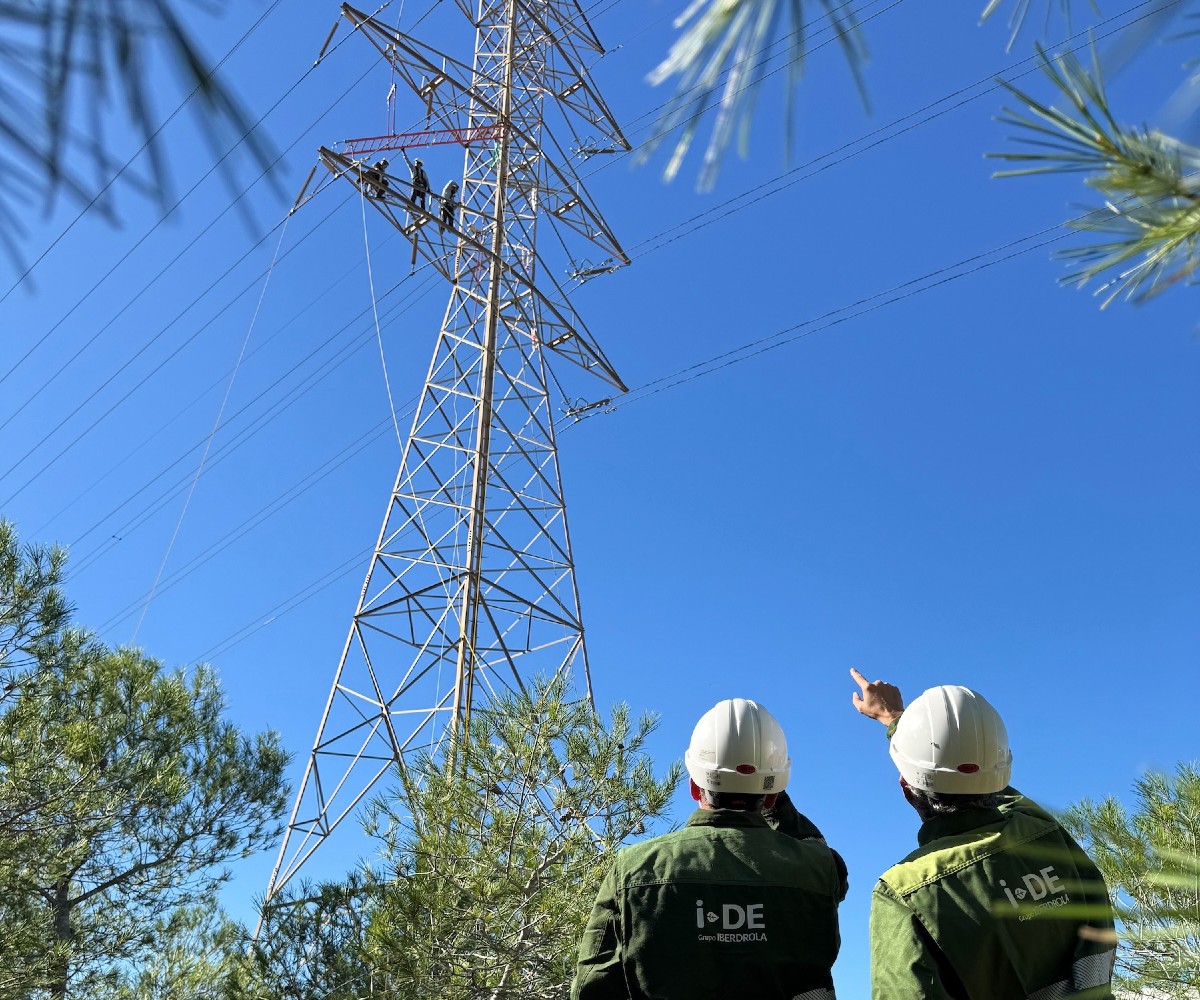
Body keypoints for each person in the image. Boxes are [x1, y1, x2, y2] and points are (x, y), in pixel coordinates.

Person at [849, 668, 1117, 1000]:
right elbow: (997, 790)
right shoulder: (1045, 832)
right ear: (1001, 774)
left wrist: (896, 723)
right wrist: (896, 719)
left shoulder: (905, 892)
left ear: (906, 789)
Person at [572, 698, 846, 1000]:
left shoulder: (633, 868)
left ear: (693, 786)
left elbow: (591, 989)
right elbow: (814, 848)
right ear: (771, 796)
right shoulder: (820, 868)